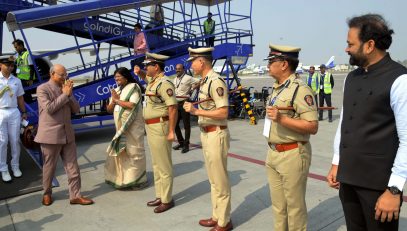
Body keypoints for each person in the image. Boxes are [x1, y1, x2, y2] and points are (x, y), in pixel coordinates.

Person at [327, 14, 407, 231]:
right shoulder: (352, 78)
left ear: (370, 45)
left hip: (378, 185)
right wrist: (337, 161)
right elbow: (345, 123)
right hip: (348, 178)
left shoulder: (400, 79)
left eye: (350, 44)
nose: (346, 49)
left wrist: (394, 190)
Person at [264, 44, 318, 231]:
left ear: (284, 64)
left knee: (294, 208)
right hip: (273, 153)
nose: (268, 65)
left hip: (292, 153)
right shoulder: (277, 88)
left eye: (272, 61)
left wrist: (281, 118)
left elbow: (312, 126)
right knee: (279, 207)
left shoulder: (300, 90)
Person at [183, 47, 233, 231]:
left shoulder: (216, 81)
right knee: (213, 180)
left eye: (193, 61)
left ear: (201, 61)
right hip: (207, 133)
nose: (191, 65)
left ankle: (225, 221)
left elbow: (223, 111)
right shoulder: (204, 82)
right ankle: (216, 215)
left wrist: (196, 111)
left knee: (220, 180)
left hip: (216, 133)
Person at [34, 64, 93, 206]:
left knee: (73, 167)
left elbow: (76, 109)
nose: (64, 77)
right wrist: (64, 94)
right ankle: (47, 193)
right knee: (50, 167)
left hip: (67, 134)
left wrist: (70, 94)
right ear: (52, 74)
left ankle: (75, 195)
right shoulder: (43, 89)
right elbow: (50, 109)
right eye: (61, 75)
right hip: (50, 135)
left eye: (65, 74)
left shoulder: (66, 89)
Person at [133, 52, 177, 213]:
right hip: (151, 127)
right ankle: (160, 195)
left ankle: (167, 199)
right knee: (157, 164)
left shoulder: (165, 83)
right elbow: (146, 78)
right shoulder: (154, 81)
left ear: (156, 67)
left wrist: (171, 131)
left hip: (160, 126)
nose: (145, 68)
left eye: (148, 66)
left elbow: (172, 108)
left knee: (164, 165)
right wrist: (140, 73)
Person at [105, 67, 148, 189]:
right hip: (120, 128)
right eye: (115, 77)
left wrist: (117, 100)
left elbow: (132, 105)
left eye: (118, 77)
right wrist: (114, 101)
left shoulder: (134, 87)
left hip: (133, 127)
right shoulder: (117, 90)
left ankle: (139, 180)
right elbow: (109, 109)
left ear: (126, 76)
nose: (116, 79)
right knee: (122, 153)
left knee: (134, 152)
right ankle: (125, 180)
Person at [0, 57, 27, 182]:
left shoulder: (17, 80)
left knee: (15, 140)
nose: (10, 67)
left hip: (14, 111)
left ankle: (15, 166)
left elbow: (20, 98)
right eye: (8, 65)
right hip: (0, 111)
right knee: (3, 142)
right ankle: (3, 168)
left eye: (12, 65)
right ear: (1, 65)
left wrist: (24, 112)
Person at [173, 63, 198, 153]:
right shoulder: (175, 79)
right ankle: (181, 142)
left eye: (179, 69)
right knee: (175, 124)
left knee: (186, 125)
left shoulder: (188, 78)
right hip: (177, 103)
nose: (177, 70)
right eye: (176, 69)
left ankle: (186, 145)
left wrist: (192, 89)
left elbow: (199, 81)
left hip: (185, 103)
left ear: (183, 69)